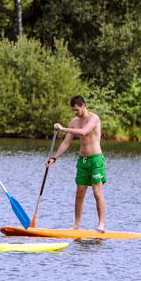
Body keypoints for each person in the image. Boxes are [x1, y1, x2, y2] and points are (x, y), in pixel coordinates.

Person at [46, 95, 107, 232]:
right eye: (73, 110)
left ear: (84, 106)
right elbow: (66, 143)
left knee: (97, 191)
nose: (75, 113)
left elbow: (84, 132)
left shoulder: (94, 118)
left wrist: (63, 129)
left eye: (77, 110)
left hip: (96, 159)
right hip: (82, 161)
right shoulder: (74, 122)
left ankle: (101, 225)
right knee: (79, 193)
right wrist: (54, 158)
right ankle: (76, 225)